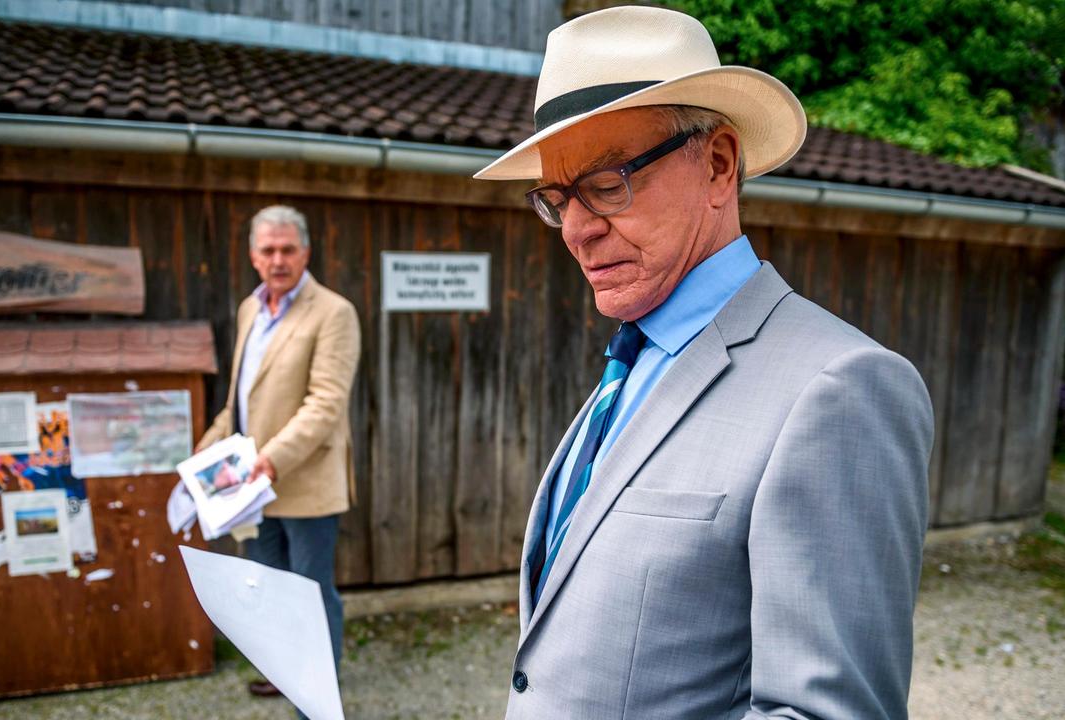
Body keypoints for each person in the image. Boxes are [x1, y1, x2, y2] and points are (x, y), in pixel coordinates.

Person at [473, 7, 933, 719]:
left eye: (605, 183)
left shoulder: (839, 388)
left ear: (717, 164)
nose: (577, 230)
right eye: (558, 198)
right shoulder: (635, 358)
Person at [196, 204, 360, 704]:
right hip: (251, 485)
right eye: (268, 250)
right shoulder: (251, 308)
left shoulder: (334, 312)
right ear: (253, 255)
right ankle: (282, 670)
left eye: (288, 249)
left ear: (305, 252)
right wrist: (203, 456)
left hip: (303, 481)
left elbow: (325, 403)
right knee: (265, 588)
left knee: (310, 593)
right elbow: (239, 401)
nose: (278, 259)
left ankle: (318, 693)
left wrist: (269, 460)